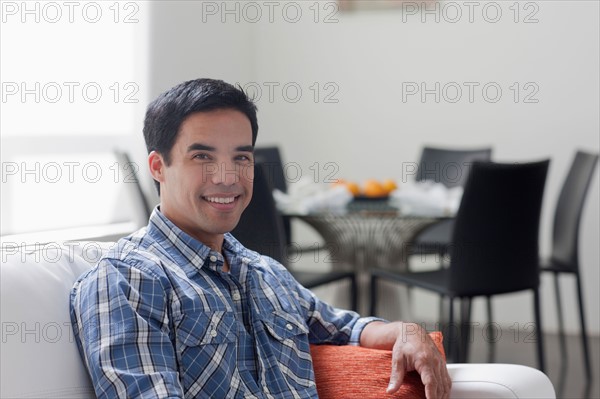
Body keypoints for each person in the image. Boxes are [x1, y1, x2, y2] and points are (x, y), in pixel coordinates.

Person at [70, 78, 451, 399]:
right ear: (159, 167)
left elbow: (345, 328)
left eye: (242, 157)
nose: (227, 177)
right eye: (203, 157)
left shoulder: (265, 274)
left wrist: (408, 331)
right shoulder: (127, 281)